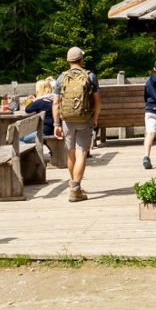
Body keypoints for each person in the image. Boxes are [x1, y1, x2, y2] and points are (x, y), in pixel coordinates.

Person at [54, 47, 100, 202]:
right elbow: (98, 102)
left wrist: (56, 124)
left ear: (68, 60)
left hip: (67, 120)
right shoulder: (90, 76)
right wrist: (95, 117)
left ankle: (74, 184)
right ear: (81, 60)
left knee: (71, 153)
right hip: (84, 118)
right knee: (81, 153)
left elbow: (55, 103)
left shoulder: (61, 78)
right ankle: (75, 188)